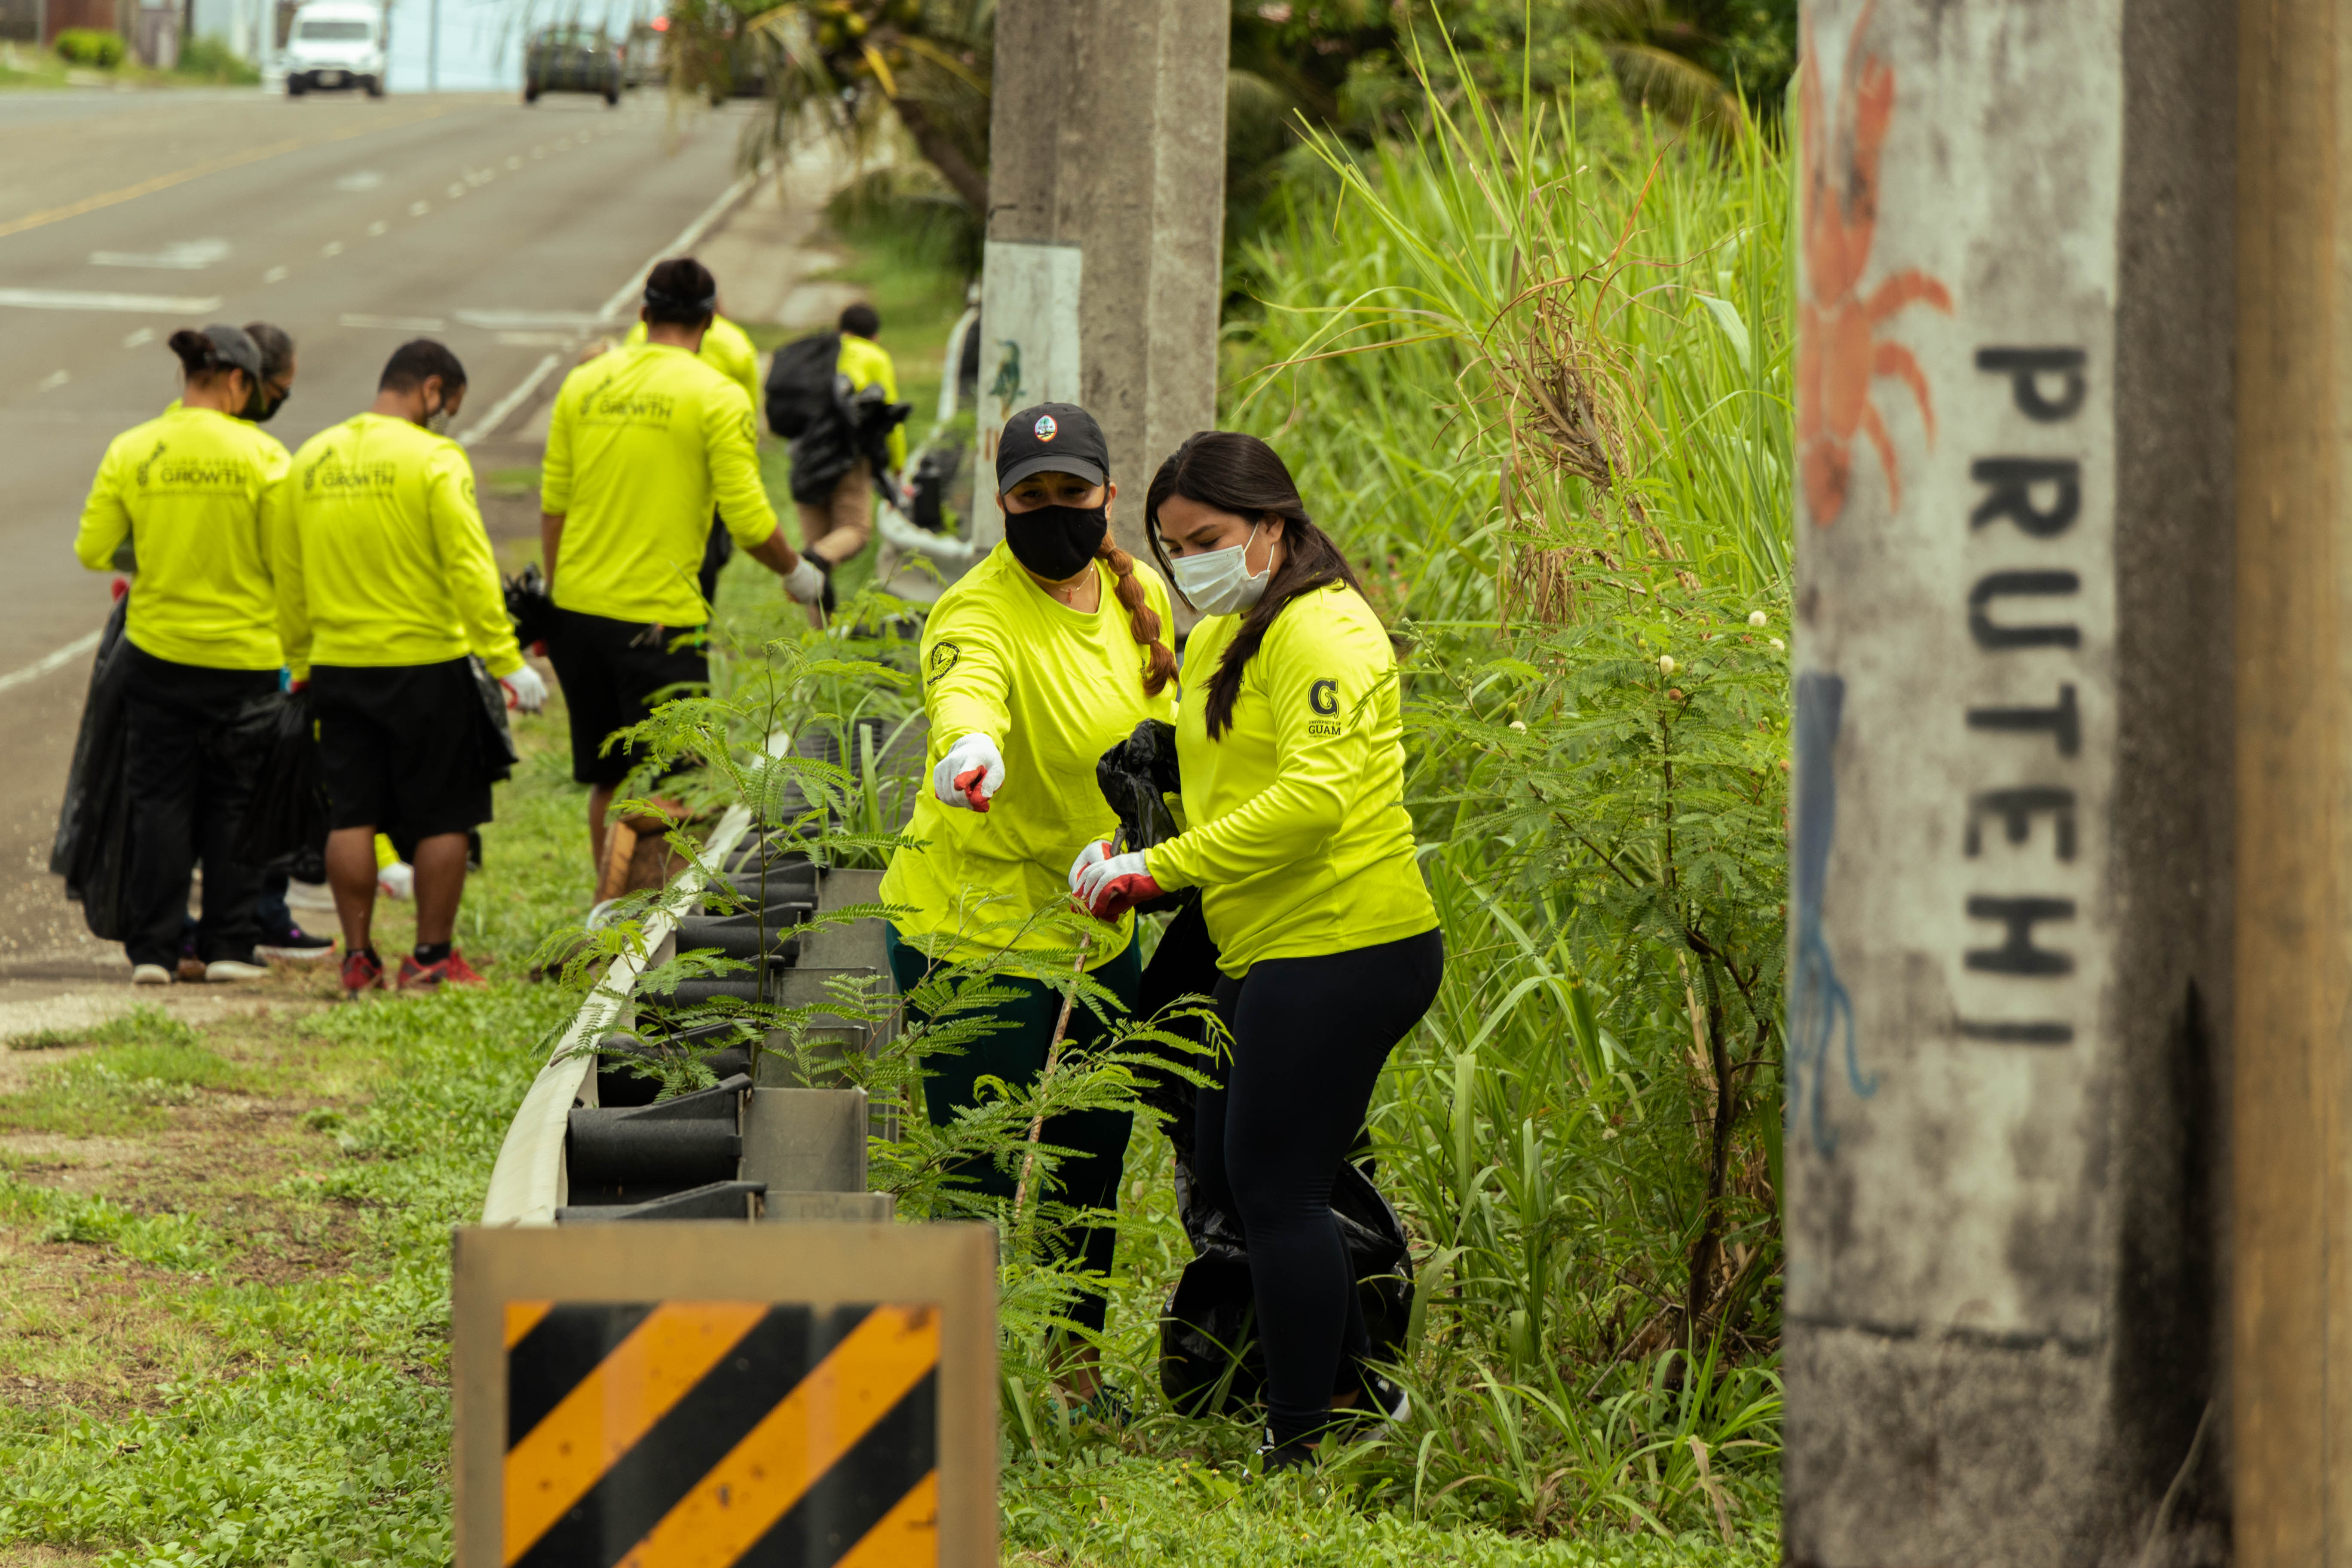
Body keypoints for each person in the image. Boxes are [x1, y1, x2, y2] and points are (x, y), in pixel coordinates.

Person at [1069, 430, 1442, 1468]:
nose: (1188, 563)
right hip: (1267, 941)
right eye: (1170, 545)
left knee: (1274, 1189)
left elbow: (1313, 801)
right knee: (1245, 1181)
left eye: (1207, 539)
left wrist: (1163, 869)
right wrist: (1144, 811)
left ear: (1271, 527)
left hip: (1345, 942)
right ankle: (1347, 1393)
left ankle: (1297, 1442)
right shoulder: (1229, 633)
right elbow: (1238, 777)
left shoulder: (1323, 632)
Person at [879, 402, 1178, 1404]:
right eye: (1030, 495)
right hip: (974, 930)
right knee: (976, 1164)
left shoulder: (1137, 590)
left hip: (1096, 924)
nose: (1052, 511)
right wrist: (969, 748)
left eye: (1072, 493)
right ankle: (949, 1386)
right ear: (1001, 501)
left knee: (1090, 1153)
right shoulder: (975, 609)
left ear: (1104, 493)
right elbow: (965, 691)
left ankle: (1072, 1377)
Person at [273, 339, 548, 996]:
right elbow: (468, 565)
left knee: (351, 814)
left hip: (338, 665)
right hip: (427, 666)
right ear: (430, 389)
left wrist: (300, 660)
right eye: (447, 406)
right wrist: (507, 661)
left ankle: (359, 961)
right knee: (444, 815)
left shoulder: (311, 459)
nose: (445, 418)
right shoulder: (434, 459)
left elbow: (288, 570)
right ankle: (428, 959)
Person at [539, 256, 826, 885]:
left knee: (608, 776)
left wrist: (553, 602)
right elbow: (749, 521)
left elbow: (554, 506)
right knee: (677, 783)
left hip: (578, 616)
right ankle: (650, 929)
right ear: (707, 323)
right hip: (660, 621)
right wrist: (797, 572)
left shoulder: (584, 384)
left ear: (643, 316)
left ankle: (604, 909)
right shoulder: (715, 394)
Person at [72, 327, 289, 986]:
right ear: (237, 383)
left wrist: (158, 546)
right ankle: (228, 946)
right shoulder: (267, 457)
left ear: (186, 379)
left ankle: (153, 953)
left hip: (157, 652)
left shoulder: (134, 450)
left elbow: (93, 549)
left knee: (159, 802)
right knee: (235, 804)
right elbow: (287, 563)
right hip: (246, 657)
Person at [620, 303, 762, 609]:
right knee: (707, 550)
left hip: (652, 456)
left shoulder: (638, 335)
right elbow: (749, 413)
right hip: (710, 461)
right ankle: (698, 626)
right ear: (710, 314)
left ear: (646, 312)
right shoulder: (736, 342)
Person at [792, 301, 906, 623]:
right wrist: (897, 466)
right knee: (853, 531)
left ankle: (818, 646)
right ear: (876, 337)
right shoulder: (875, 356)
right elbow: (890, 418)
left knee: (817, 557)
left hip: (805, 458)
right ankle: (815, 558)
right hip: (847, 459)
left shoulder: (819, 352)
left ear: (842, 329)